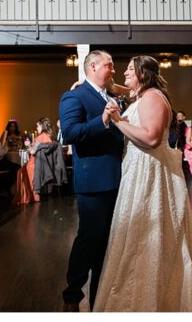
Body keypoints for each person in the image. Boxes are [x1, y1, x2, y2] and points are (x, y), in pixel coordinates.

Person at [93, 55, 192, 311]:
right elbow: (120, 88)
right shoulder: (143, 95)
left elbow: (151, 138)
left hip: (149, 172)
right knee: (136, 233)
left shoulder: (152, 98)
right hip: (137, 170)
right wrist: (93, 84)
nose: (124, 75)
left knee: (147, 234)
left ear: (142, 76)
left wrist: (118, 121)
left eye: (129, 71)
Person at [58, 50, 125, 312]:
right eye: (110, 65)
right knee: (89, 237)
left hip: (116, 179)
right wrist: (103, 120)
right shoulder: (74, 95)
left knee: (107, 239)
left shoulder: (109, 95)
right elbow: (70, 133)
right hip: (93, 181)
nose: (113, 70)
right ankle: (72, 294)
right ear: (94, 66)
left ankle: (100, 292)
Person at [15, 117, 54, 204]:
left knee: (20, 172)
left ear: (42, 126)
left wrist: (28, 145)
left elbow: (32, 151)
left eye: (37, 126)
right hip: (43, 164)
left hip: (34, 164)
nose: (36, 128)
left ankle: (29, 196)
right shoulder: (48, 137)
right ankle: (32, 195)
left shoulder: (40, 138)